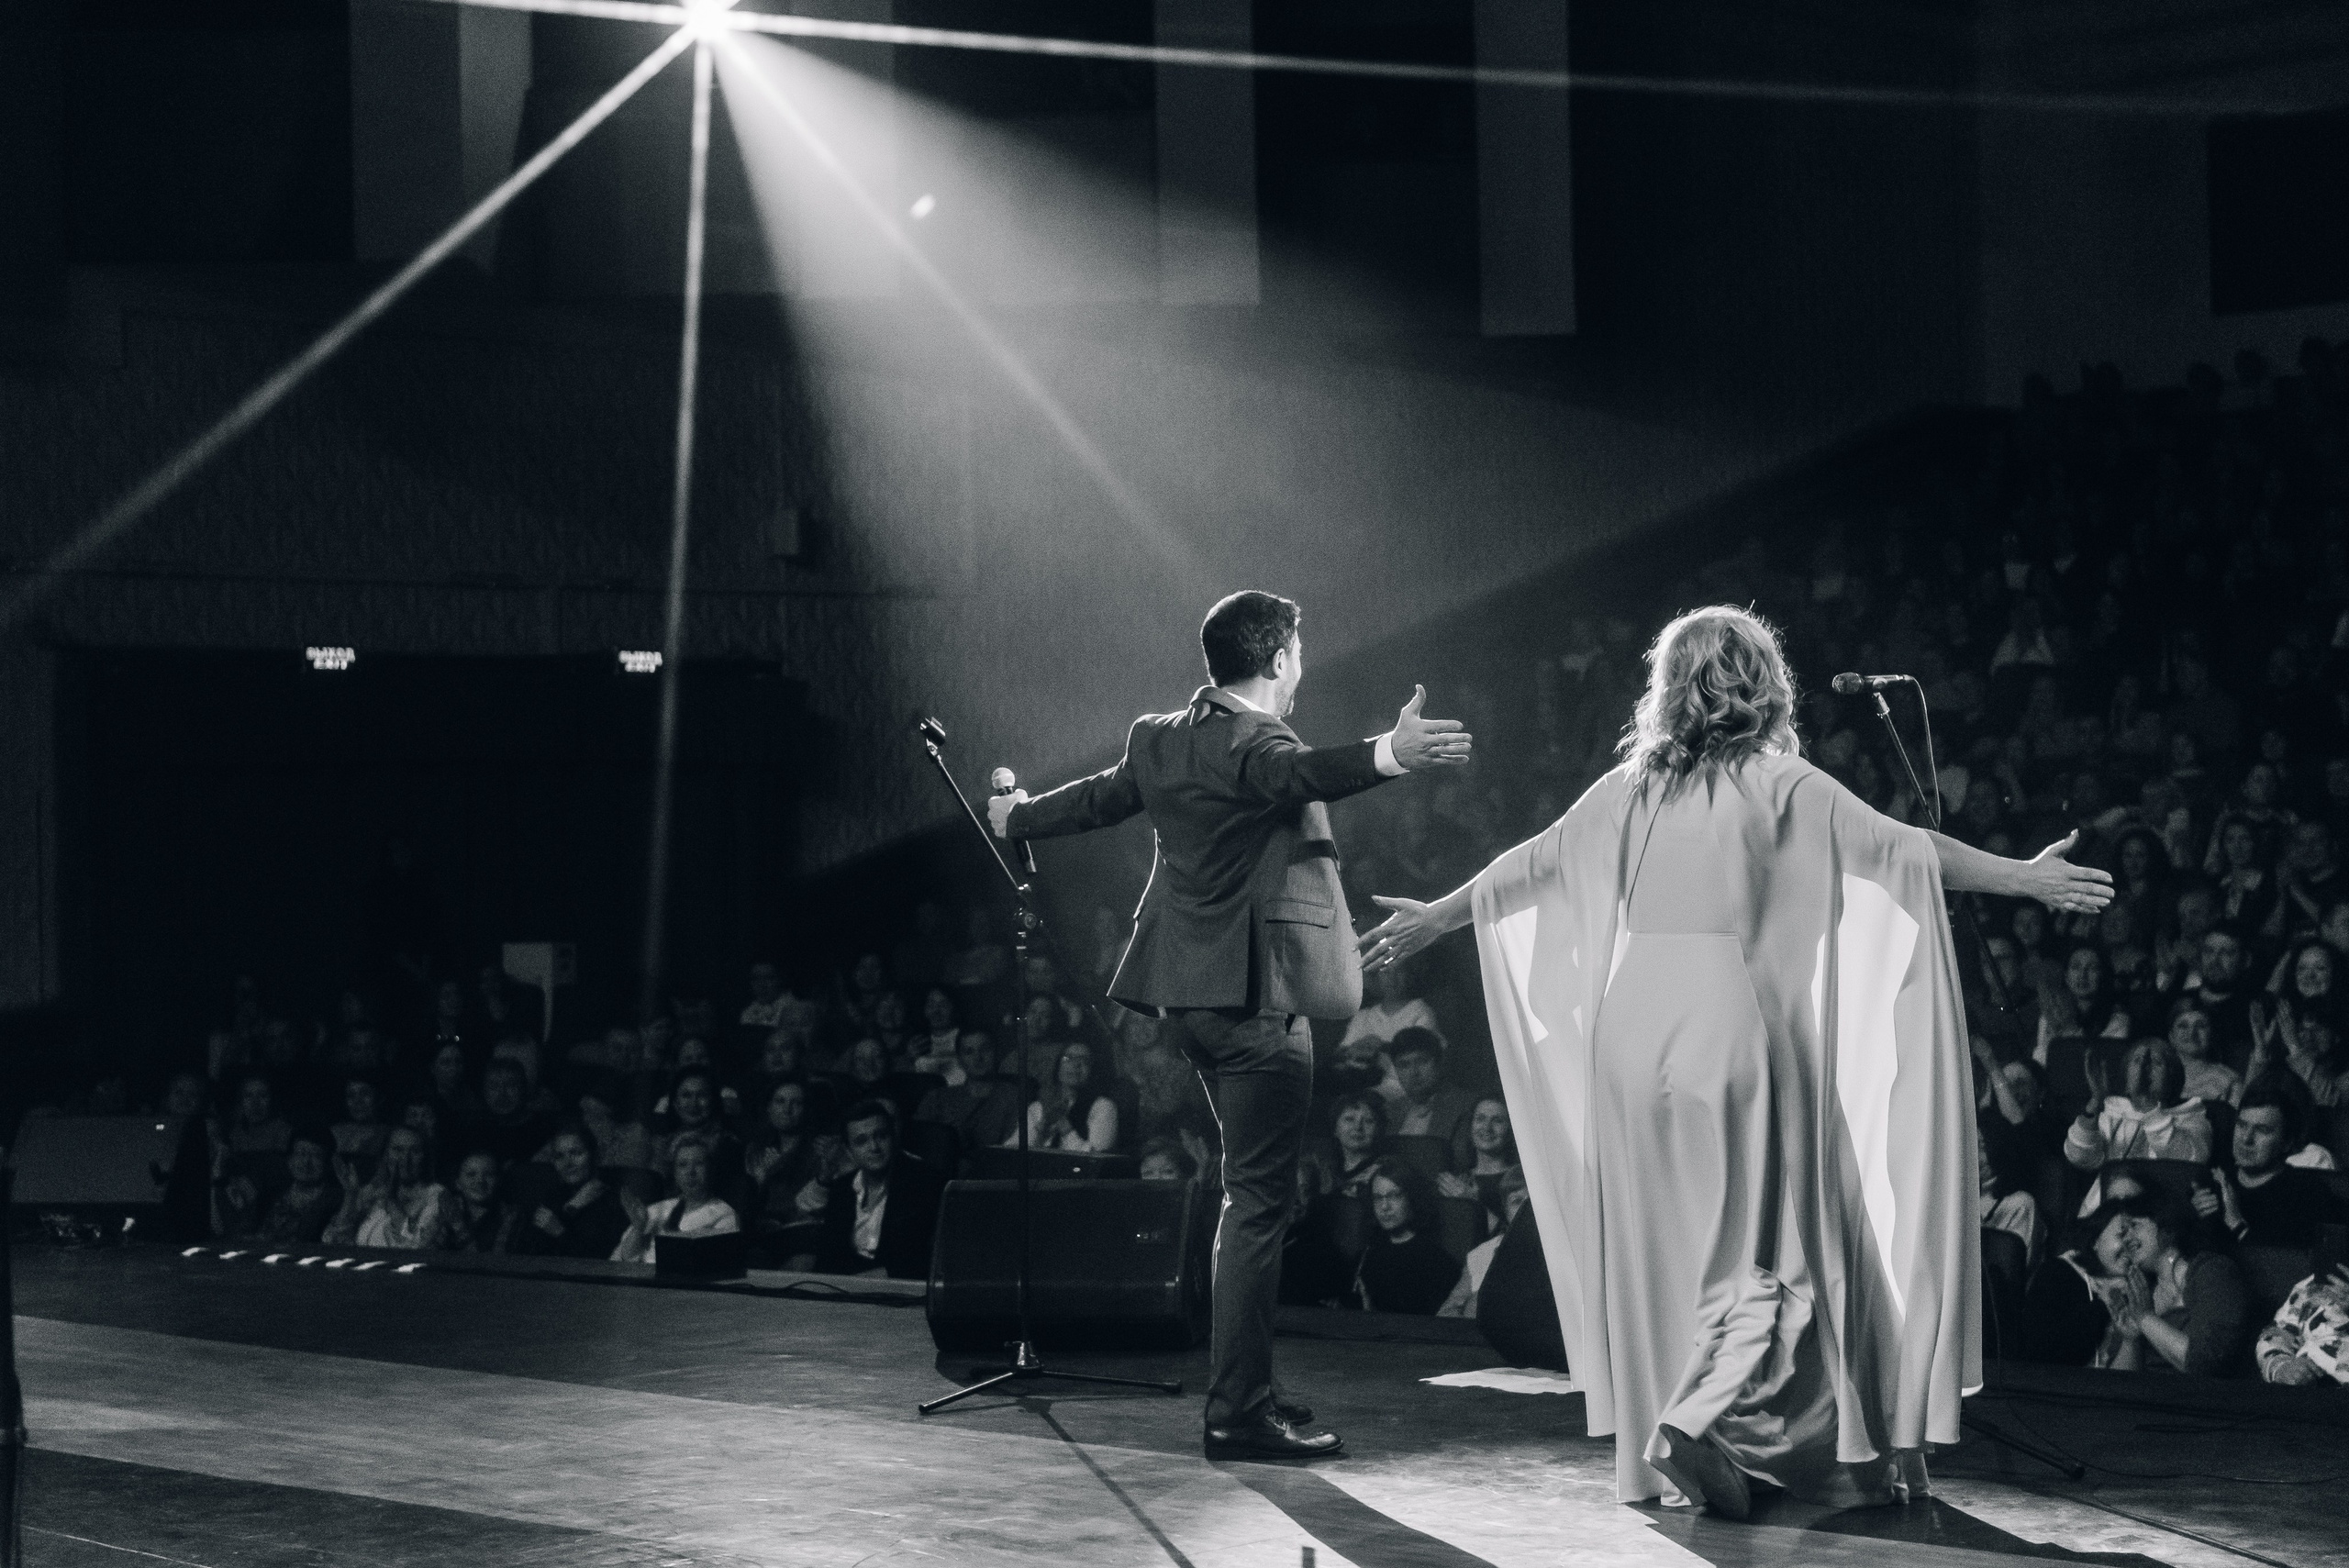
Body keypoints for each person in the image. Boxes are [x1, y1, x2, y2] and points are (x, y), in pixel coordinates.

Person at [1357, 605, 2110, 1512]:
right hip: (1726, 1016)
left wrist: (1438, 915)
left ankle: (1689, 1436)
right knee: (1782, 1244)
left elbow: (1534, 861)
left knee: (1666, 1248)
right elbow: (1899, 848)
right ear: (1764, 683)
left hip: (1630, 1030)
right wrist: (2024, 875)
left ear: (1670, 687)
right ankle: (1709, 1417)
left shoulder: (1631, 786)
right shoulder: (1778, 779)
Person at [989, 588, 1470, 1460]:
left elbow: (1097, 800)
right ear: (1280, 657)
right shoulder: (1258, 740)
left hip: (1192, 1003)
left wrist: (1016, 816)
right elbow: (1299, 775)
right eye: (1299, 650)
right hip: (1257, 1002)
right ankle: (1237, 1412)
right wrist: (1389, 753)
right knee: (1255, 1206)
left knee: (1246, 1198)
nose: (1301, 662)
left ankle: (1248, 1387)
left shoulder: (1159, 737)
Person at [2195, 1083, 2345, 1248]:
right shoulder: (2214, 1180)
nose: (2246, 1139)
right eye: (2242, 1125)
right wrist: (2193, 1218)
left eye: (2262, 1130)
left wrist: (2236, 1223)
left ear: (2286, 1142)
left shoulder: (2307, 1194)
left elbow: (2288, 1262)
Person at [811, 1101, 944, 1278]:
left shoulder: (924, 1182)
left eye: (881, 1136)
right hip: (847, 1286)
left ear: (893, 1137)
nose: (874, 1147)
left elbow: (922, 1259)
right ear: (849, 1151)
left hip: (899, 1286)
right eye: (861, 1141)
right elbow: (827, 1256)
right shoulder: (842, 1188)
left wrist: (863, 1282)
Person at [612, 1138, 739, 1263]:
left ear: (711, 1169)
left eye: (699, 1163)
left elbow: (716, 1264)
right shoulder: (655, 1210)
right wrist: (638, 1228)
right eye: (682, 1165)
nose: (690, 1172)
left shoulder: (724, 1214)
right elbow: (620, 1260)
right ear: (675, 1173)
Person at [1353, 1164, 1457, 1315]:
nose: (1384, 1206)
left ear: (1412, 1198)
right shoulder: (1366, 1254)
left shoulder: (1437, 1261)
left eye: (1394, 1196)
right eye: (1377, 1198)